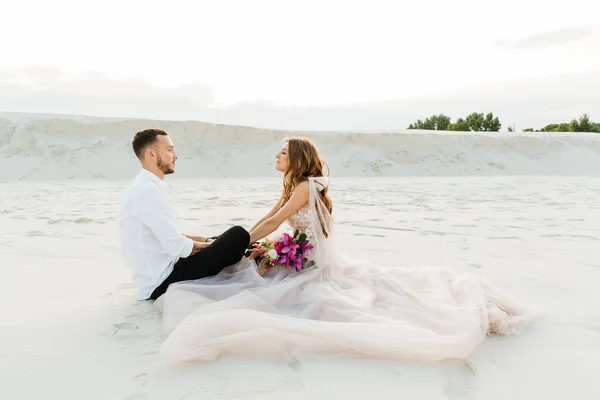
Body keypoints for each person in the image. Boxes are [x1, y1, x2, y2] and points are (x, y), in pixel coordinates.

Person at [156, 137, 539, 364]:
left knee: (276, 290)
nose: (276, 157)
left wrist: (246, 244)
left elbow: (274, 224)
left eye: (282, 153)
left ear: (297, 159)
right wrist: (245, 242)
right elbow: (268, 217)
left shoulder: (306, 186)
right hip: (296, 248)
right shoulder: (295, 184)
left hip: (306, 255)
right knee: (250, 273)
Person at [117, 128, 250, 301]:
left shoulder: (146, 186)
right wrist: (214, 244)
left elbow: (171, 236)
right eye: (170, 150)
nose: (176, 155)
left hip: (166, 269)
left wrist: (209, 240)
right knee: (237, 235)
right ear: (151, 154)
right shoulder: (147, 191)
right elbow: (178, 246)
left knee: (222, 239)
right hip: (163, 281)